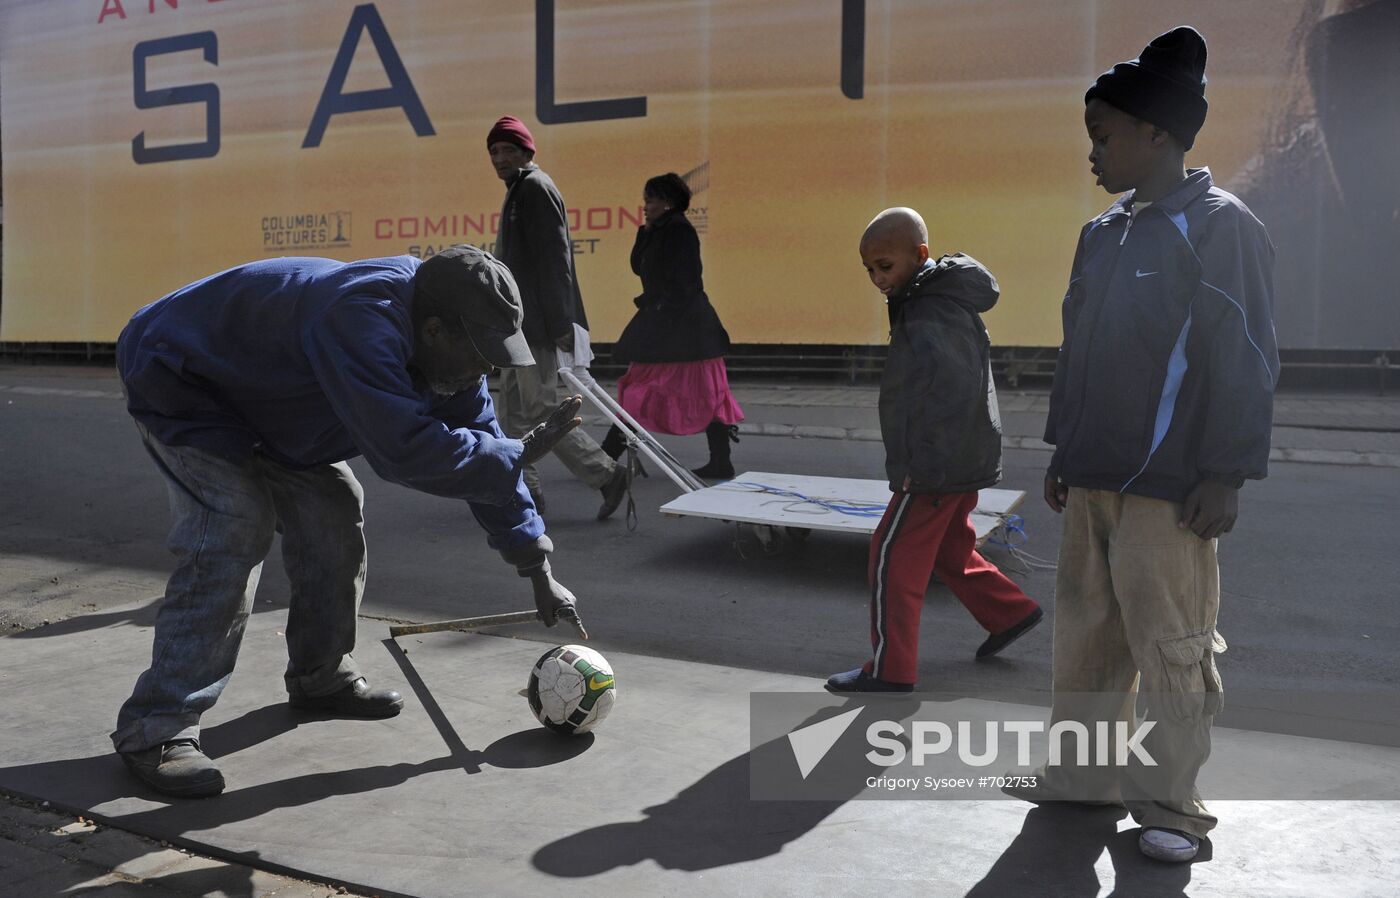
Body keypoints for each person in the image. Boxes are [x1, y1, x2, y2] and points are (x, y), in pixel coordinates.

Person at [112, 244, 585, 799]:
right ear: (434, 331)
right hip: (186, 379)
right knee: (235, 524)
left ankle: (320, 676)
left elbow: (486, 456)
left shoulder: (449, 356)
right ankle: (156, 728)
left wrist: (537, 566)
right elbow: (403, 450)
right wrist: (512, 458)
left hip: (274, 404)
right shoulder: (360, 318)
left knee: (335, 513)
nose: (488, 369)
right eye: (482, 353)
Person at [1010, 27, 1279, 864]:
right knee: (1087, 637)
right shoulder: (1105, 233)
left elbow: (1246, 356)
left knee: (1172, 647)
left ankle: (1171, 808)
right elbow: (1078, 346)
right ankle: (1083, 778)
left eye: (1105, 136)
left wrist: (1226, 473)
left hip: (1170, 485)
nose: (1093, 154)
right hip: (1093, 475)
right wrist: (1064, 448)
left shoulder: (1219, 228)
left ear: (1158, 135)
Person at [825, 208, 1043, 695]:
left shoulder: (929, 307)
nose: (878, 279)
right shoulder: (929, 296)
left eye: (885, 266)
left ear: (919, 255)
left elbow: (945, 392)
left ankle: (890, 668)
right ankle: (1011, 612)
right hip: (960, 457)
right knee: (949, 548)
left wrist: (920, 465)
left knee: (890, 556)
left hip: (937, 463)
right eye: (870, 271)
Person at [486, 115, 629, 519]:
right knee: (511, 413)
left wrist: (562, 325)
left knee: (543, 412)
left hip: (537, 328)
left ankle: (605, 474)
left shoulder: (535, 187)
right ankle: (525, 492)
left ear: (527, 151)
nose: (500, 157)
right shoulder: (518, 189)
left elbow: (555, 262)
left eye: (508, 149)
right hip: (518, 326)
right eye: (494, 151)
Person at [604, 172, 744, 479]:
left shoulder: (679, 230)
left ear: (668, 202)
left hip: (683, 326)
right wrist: (645, 232)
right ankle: (606, 455)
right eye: (645, 200)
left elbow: (687, 279)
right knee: (653, 386)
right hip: (674, 324)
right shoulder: (660, 229)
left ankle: (605, 456)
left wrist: (663, 311)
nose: (646, 206)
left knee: (653, 387)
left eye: (651, 199)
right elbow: (637, 266)